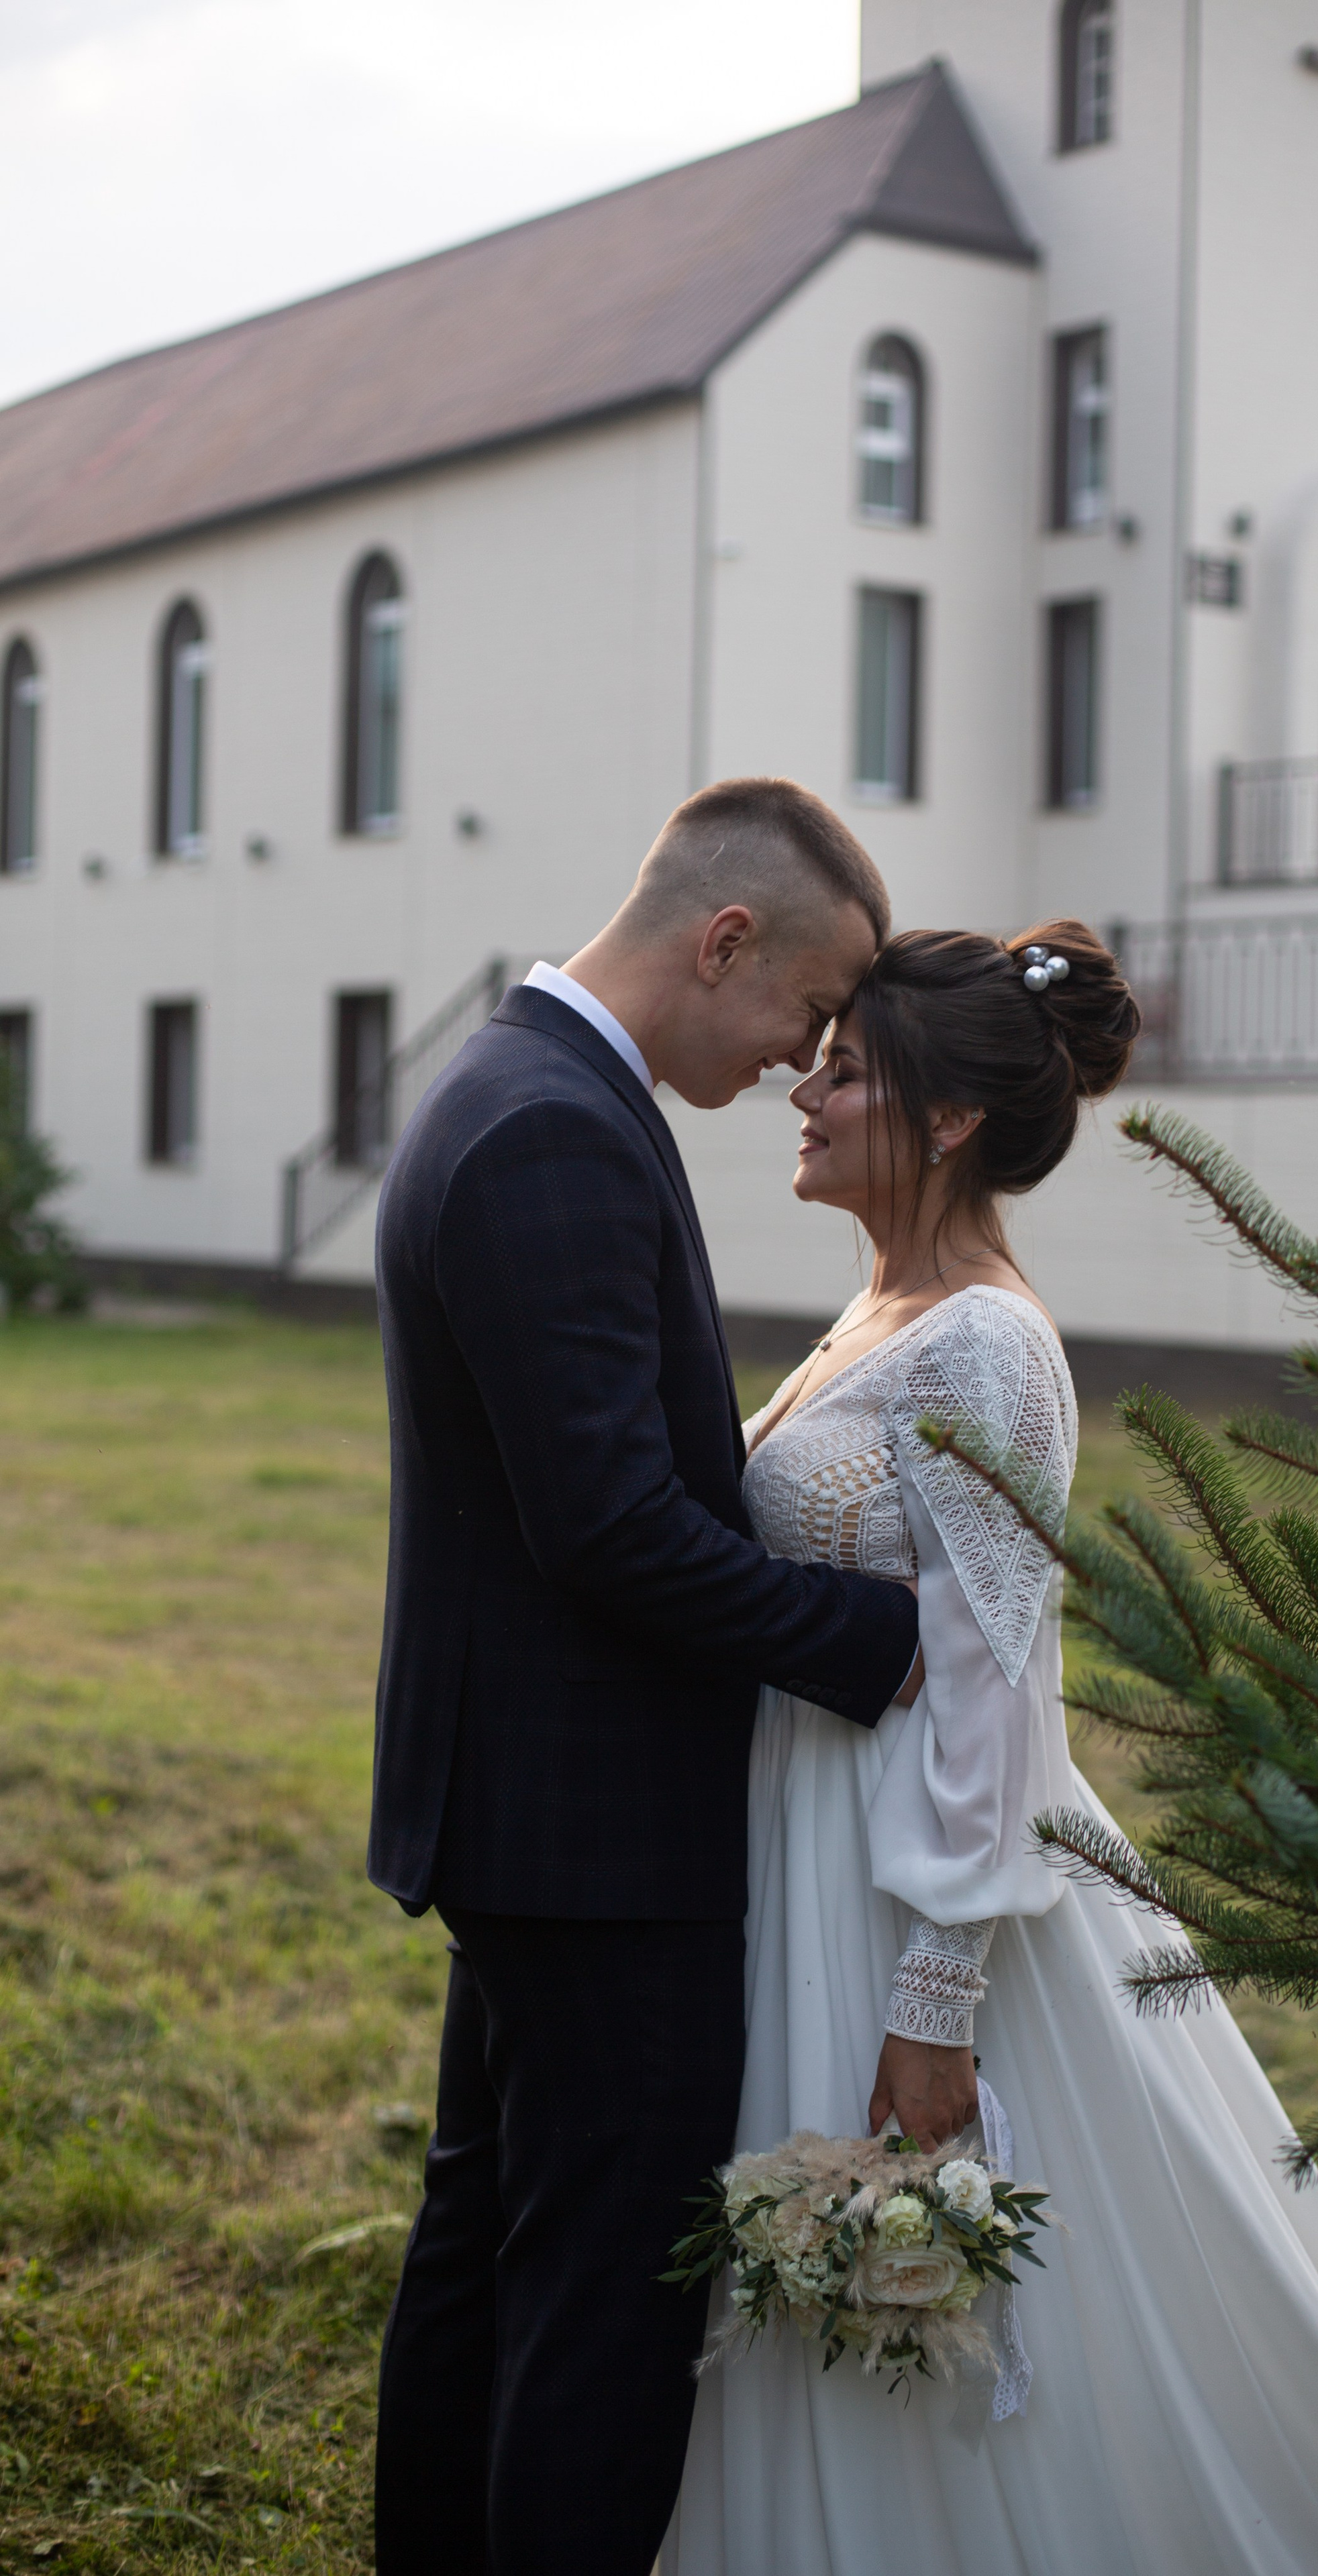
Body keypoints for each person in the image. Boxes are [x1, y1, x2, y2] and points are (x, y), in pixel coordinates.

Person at [662, 920, 1318, 2576]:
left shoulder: (989, 1344)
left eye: (843, 1073)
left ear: (947, 1117)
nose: (805, 1093)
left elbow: (995, 1692)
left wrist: (932, 2017)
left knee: (914, 2262)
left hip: (914, 1879)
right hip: (803, 1836)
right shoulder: (878, 1306)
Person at [368, 777, 922, 2576]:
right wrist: (876, 1642)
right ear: (725, 939)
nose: (798, 1060)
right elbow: (607, 1526)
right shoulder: (553, 1130)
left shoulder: (521, 1085)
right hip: (595, 1837)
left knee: (491, 2256)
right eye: (804, 1014)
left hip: (534, 1812)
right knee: (601, 2312)